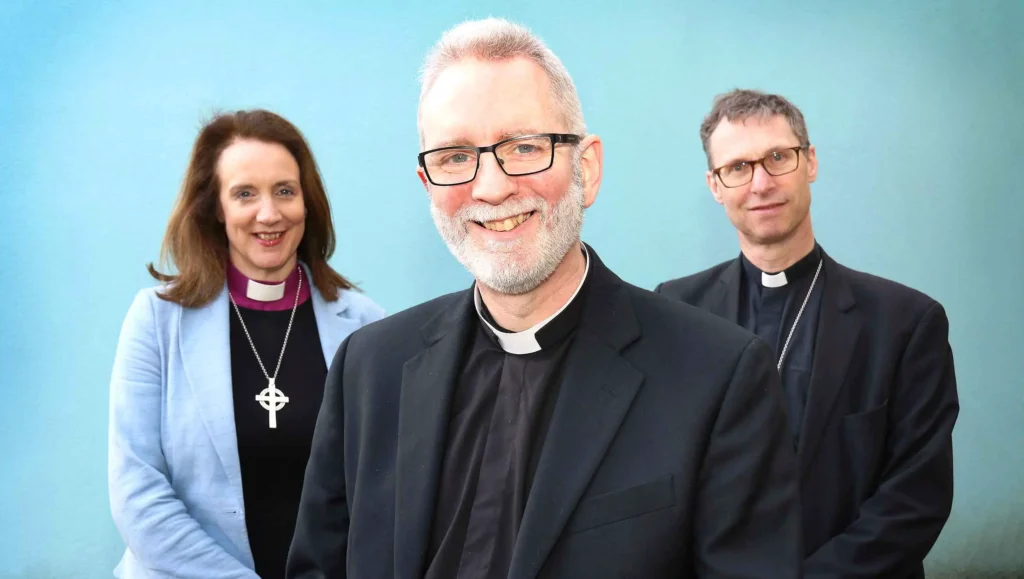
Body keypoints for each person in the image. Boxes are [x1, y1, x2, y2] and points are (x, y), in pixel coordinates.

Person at [287, 19, 801, 579]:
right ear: (427, 184)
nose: (490, 187)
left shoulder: (717, 376)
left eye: (524, 146)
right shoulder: (369, 367)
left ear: (587, 168)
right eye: (456, 157)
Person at [656, 89, 959, 578]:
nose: (760, 183)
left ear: (810, 162)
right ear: (715, 185)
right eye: (737, 167)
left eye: (778, 157)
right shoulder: (674, 310)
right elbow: (661, 478)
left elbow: (915, 497)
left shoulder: (905, 322)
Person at [108, 109, 385, 578]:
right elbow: (138, 493)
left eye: (284, 191)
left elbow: (384, 488)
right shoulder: (156, 320)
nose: (269, 214)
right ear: (216, 208)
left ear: (306, 202)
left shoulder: (366, 326)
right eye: (244, 194)